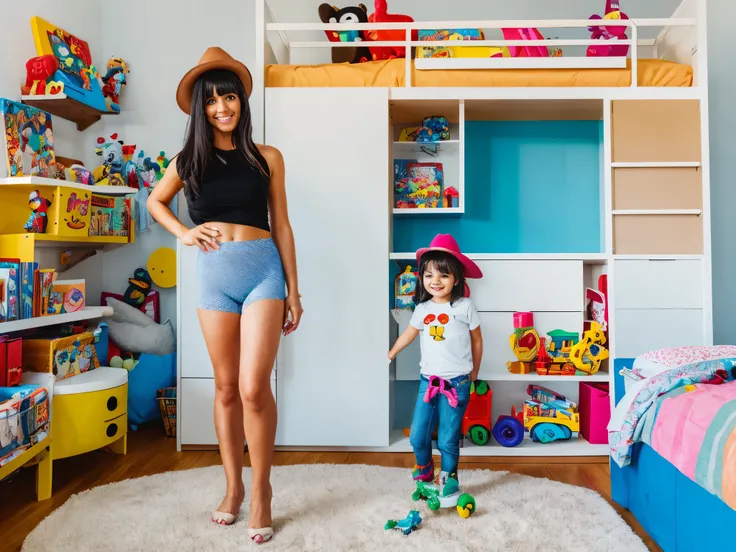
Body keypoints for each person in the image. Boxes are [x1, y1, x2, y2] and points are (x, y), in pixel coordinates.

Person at [147, 47, 303, 545]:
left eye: (229, 97)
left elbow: (281, 224)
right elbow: (155, 200)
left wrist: (294, 291)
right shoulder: (188, 161)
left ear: (241, 102)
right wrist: (183, 233)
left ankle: (262, 492)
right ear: (201, 108)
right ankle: (233, 488)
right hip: (214, 277)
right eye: (212, 101)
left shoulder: (267, 157)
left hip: (263, 274)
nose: (222, 108)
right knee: (226, 388)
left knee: (255, 387)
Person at [388, 234, 483, 494]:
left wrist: (475, 370)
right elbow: (409, 333)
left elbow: (477, 339)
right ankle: (425, 467)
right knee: (418, 435)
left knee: (448, 439)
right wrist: (391, 352)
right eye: (428, 275)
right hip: (428, 381)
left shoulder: (465, 307)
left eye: (443, 275)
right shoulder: (422, 309)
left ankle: (449, 477)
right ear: (422, 278)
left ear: (456, 277)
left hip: (458, 382)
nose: (435, 281)